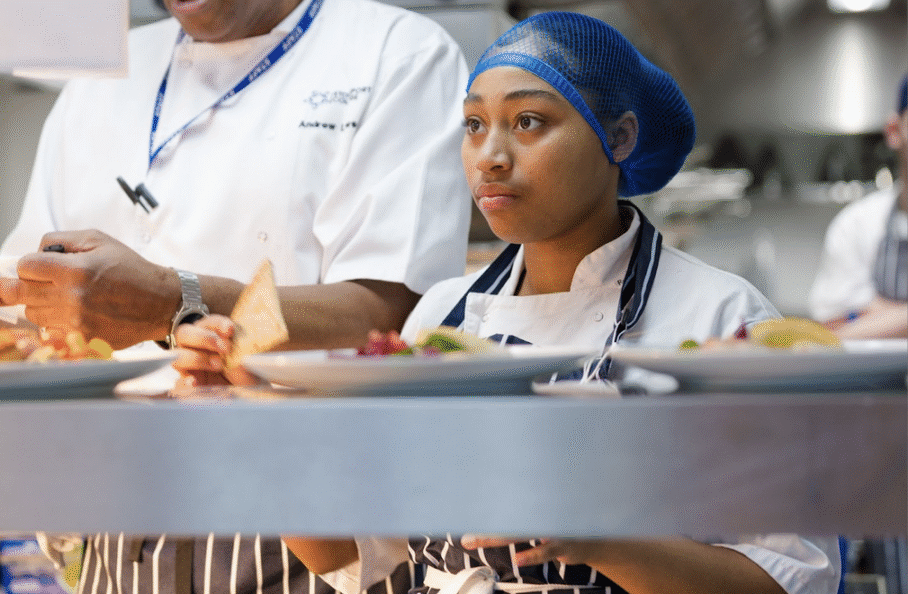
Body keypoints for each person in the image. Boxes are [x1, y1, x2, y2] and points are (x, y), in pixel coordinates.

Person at [174, 11, 842, 594]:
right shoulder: (441, 318)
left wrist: (592, 539)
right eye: (473, 125)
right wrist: (252, 415)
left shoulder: (720, 319)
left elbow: (788, 578)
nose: (489, 157)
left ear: (620, 139)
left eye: (528, 122)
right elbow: (353, 556)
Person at [0, 0, 472, 592]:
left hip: (305, 514)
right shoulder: (103, 77)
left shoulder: (396, 52)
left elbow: (388, 314)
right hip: (113, 514)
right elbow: (36, 325)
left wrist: (176, 301)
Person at [809, 73, 907, 339]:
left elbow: (856, 326)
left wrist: (880, 318)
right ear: (894, 131)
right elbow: (834, 329)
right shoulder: (856, 225)